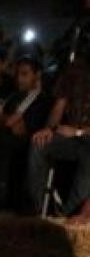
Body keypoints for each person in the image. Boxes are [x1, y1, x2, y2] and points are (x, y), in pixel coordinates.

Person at [26, 47, 90, 222]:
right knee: (39, 142)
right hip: (71, 137)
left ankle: (68, 218)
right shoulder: (77, 70)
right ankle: (39, 210)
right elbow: (59, 105)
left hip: (85, 139)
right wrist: (49, 128)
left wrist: (79, 131)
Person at [0, 56, 52, 210]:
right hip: (4, 153)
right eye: (17, 74)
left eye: (25, 74)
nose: (19, 79)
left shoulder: (40, 99)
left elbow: (17, 127)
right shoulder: (14, 96)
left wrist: (5, 120)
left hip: (24, 155)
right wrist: (6, 120)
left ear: (37, 75)